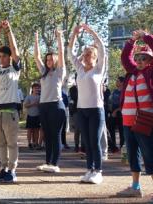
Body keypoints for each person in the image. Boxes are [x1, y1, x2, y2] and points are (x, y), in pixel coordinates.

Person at [116, 30, 153, 198]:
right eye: (137, 58)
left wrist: (145, 37)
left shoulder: (150, 73)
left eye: (143, 57)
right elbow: (125, 57)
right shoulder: (131, 73)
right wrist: (131, 41)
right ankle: (135, 186)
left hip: (145, 122)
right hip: (128, 121)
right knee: (132, 155)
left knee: (149, 155)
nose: (139, 60)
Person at [68, 24, 106, 184]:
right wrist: (74, 36)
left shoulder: (99, 69)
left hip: (96, 110)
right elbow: (69, 52)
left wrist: (91, 32)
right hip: (81, 111)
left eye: (89, 55)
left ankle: (98, 171)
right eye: (84, 55)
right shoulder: (80, 70)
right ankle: (89, 169)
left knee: (95, 141)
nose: (85, 57)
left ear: (95, 57)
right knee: (87, 142)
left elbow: (102, 47)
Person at [0, 20, 21, 183]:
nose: (1, 58)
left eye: (4, 56)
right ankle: (3, 168)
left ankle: (12, 170)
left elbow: (14, 49)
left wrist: (8, 30)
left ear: (10, 57)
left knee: (11, 143)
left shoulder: (14, 69)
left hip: (10, 112)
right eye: (0, 56)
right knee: (1, 143)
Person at [34, 29, 66, 173]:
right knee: (47, 135)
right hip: (44, 106)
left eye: (51, 59)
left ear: (55, 61)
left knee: (55, 135)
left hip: (56, 106)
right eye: (47, 60)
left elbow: (61, 53)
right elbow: (36, 56)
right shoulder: (43, 73)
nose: (48, 61)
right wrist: (36, 37)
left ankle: (55, 163)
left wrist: (59, 37)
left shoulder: (59, 71)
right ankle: (47, 162)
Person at [108, 76, 125, 153]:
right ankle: (113, 147)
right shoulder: (114, 91)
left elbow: (124, 104)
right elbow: (110, 102)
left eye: (118, 81)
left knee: (122, 131)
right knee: (111, 129)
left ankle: (122, 147)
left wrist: (116, 111)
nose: (116, 83)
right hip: (113, 113)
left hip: (121, 114)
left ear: (122, 82)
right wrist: (111, 111)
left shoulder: (124, 91)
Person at [24, 83, 41, 150]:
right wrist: (32, 104)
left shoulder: (41, 97)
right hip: (30, 115)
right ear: (32, 89)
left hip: (38, 116)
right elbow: (25, 105)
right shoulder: (28, 97)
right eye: (35, 88)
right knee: (29, 130)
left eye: (38, 88)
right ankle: (29, 143)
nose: (37, 89)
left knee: (37, 130)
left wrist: (39, 104)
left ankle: (36, 143)